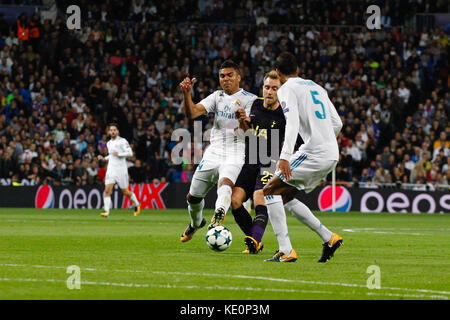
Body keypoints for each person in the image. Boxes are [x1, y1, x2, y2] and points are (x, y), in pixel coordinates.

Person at [263, 52, 344, 263]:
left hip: (315, 151)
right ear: (297, 70)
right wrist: (324, 138)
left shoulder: (287, 88)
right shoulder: (318, 87)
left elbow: (292, 123)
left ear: (279, 73)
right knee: (284, 197)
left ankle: (286, 250)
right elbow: (338, 124)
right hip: (331, 152)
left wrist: (285, 156)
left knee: (269, 191)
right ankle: (329, 238)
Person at [179, 60, 257, 242]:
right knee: (193, 197)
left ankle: (218, 215)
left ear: (239, 77)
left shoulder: (251, 99)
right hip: (214, 151)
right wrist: (187, 94)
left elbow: (250, 132)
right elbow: (192, 113)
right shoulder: (217, 97)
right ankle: (196, 223)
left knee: (226, 183)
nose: (226, 79)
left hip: (236, 151)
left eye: (230, 75)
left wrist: (242, 120)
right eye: (222, 76)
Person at [230, 70, 287, 254]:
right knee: (235, 201)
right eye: (267, 87)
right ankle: (255, 239)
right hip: (251, 160)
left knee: (258, 197)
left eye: (274, 88)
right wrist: (242, 121)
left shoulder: (284, 114)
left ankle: (254, 238)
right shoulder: (254, 105)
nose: (269, 91)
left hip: (269, 161)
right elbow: (246, 133)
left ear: (280, 91)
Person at [97, 123, 141, 217]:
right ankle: (107, 211)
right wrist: (104, 158)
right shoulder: (108, 143)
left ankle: (137, 204)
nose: (112, 131)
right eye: (111, 130)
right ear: (109, 132)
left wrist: (120, 154)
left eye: (114, 130)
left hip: (121, 170)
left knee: (125, 191)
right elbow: (112, 155)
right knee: (107, 190)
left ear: (117, 131)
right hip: (111, 169)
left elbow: (130, 153)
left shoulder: (122, 141)